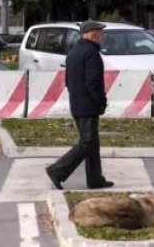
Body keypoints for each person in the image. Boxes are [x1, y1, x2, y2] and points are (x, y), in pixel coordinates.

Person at [46, 21, 114, 190]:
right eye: (101, 33)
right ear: (92, 34)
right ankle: (57, 170)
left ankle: (95, 179)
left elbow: (68, 81)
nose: (103, 36)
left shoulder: (73, 52)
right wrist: (101, 101)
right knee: (87, 142)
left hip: (76, 102)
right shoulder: (91, 53)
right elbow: (94, 82)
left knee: (93, 143)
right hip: (88, 104)